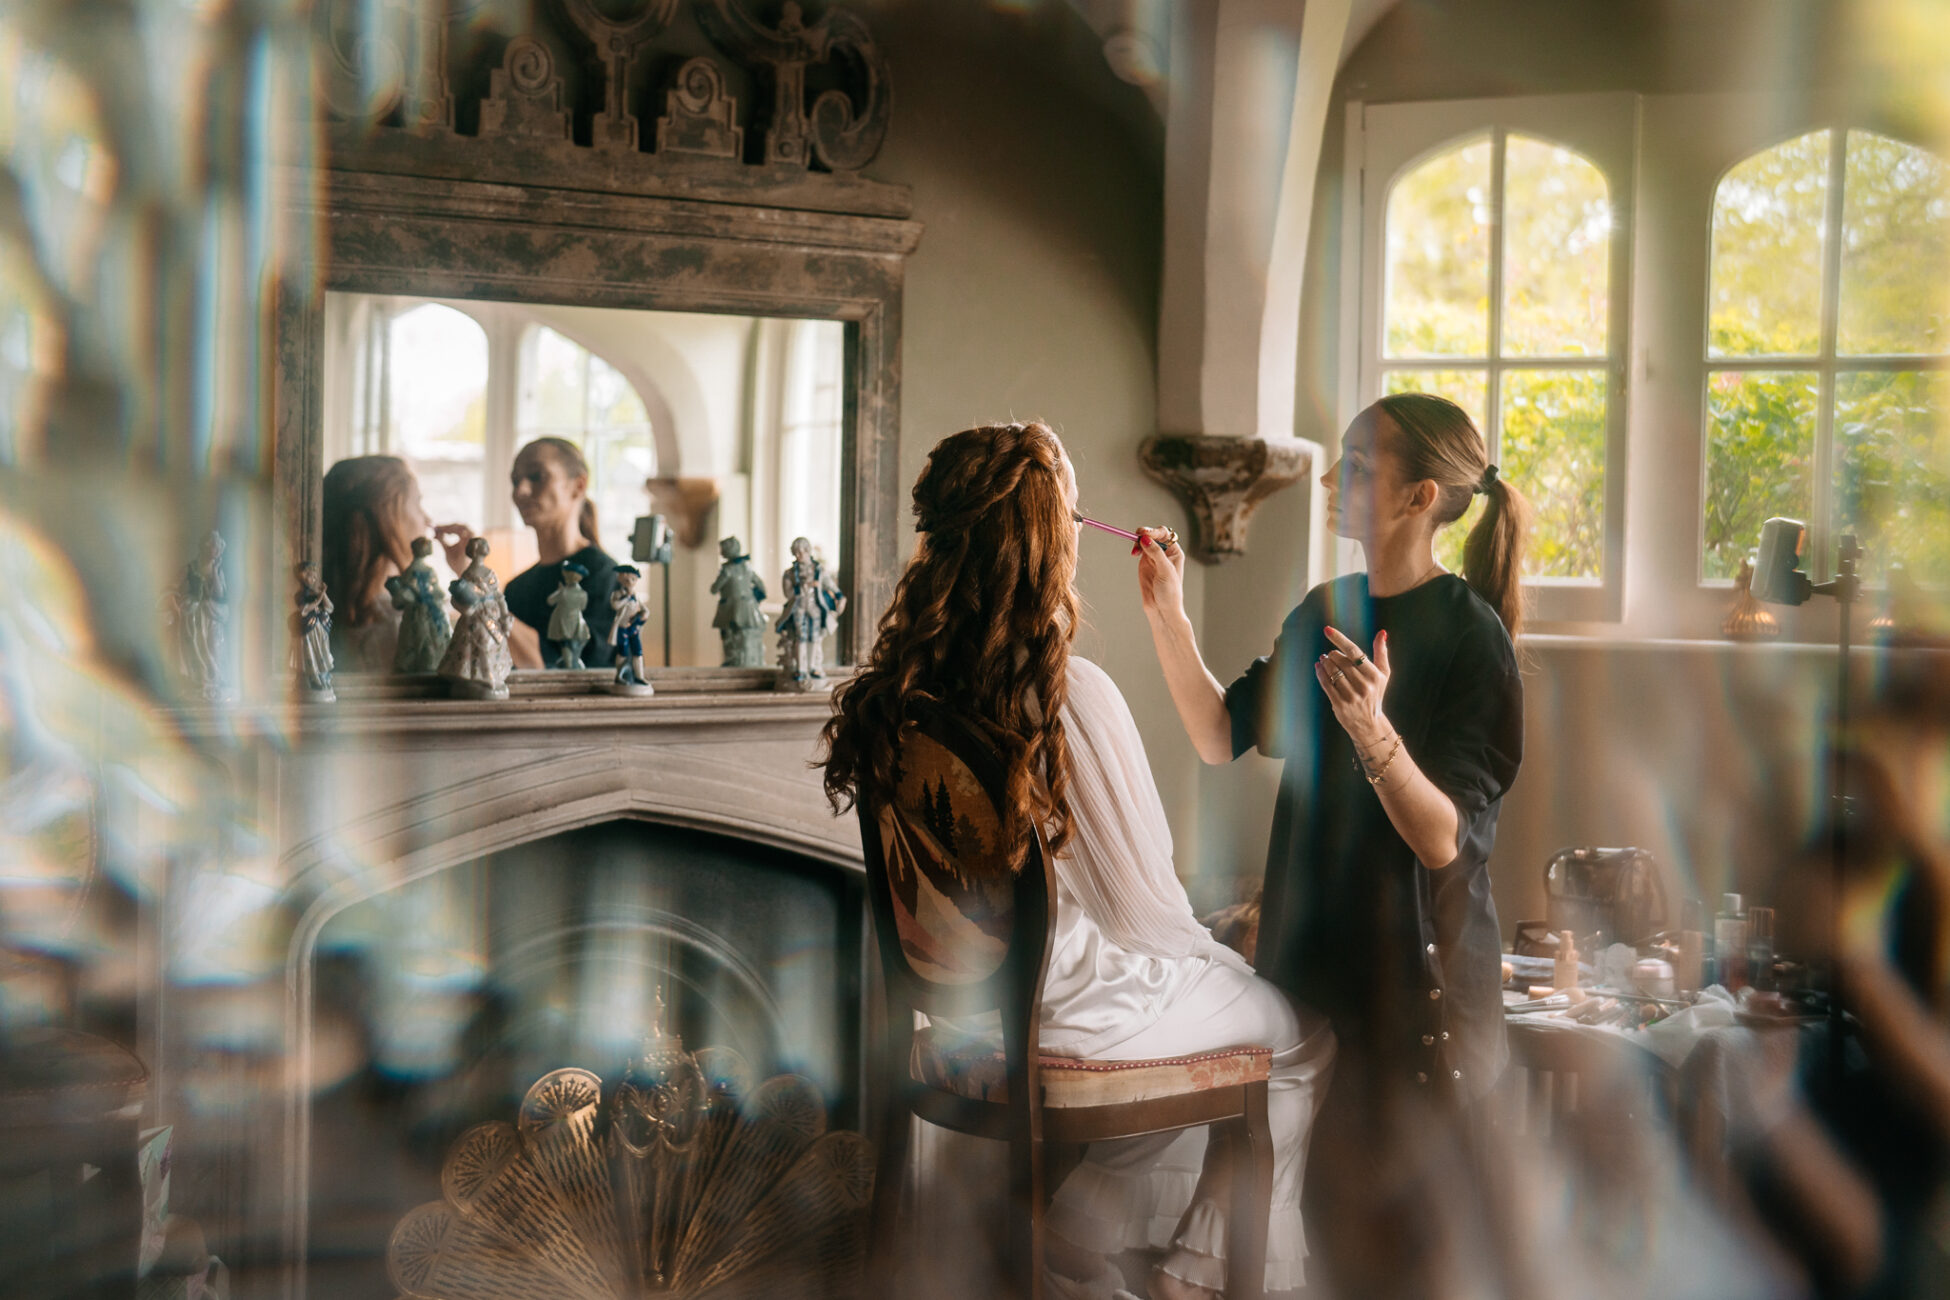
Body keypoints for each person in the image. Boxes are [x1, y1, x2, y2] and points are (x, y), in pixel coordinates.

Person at [821, 421, 1335, 1300]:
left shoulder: (898, 691)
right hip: (1062, 1011)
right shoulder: (1068, 692)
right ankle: (1189, 1274)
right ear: (1051, 542)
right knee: (1290, 1034)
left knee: (1211, 1024)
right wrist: (1214, 946)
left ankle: (1081, 1255)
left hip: (961, 1011)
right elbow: (1147, 912)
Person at [1135, 392, 1528, 1294]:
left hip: (1418, 1008)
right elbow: (1217, 733)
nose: (1333, 478)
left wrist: (1375, 737)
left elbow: (1446, 845)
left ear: (1419, 496)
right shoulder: (1325, 610)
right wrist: (1168, 615)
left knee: (1402, 1264)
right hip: (1307, 978)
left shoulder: (1476, 640)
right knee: (1309, 1243)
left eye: (1359, 464)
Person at [321, 455, 470, 672]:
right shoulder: (404, 626)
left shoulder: (317, 614)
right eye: (418, 503)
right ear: (389, 515)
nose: (427, 519)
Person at [498, 437, 618, 669]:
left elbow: (565, 669)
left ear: (578, 485)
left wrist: (481, 592)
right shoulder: (516, 589)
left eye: (536, 476)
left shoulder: (608, 577)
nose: (521, 490)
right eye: (515, 481)